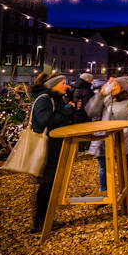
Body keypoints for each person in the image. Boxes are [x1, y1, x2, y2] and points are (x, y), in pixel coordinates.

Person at [29, 73, 75, 233]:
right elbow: (45, 121)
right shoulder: (43, 99)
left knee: (49, 185)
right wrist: (67, 110)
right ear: (53, 85)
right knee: (46, 185)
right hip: (46, 149)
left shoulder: (54, 99)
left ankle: (45, 219)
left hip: (54, 148)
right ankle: (40, 222)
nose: (66, 86)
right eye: (63, 83)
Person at [85, 76, 128, 196]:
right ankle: (104, 194)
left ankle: (127, 195)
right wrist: (99, 96)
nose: (111, 87)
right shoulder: (106, 99)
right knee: (103, 168)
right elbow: (91, 111)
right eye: (111, 85)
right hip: (102, 140)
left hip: (120, 141)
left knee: (123, 168)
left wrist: (120, 133)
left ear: (122, 87)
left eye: (115, 85)